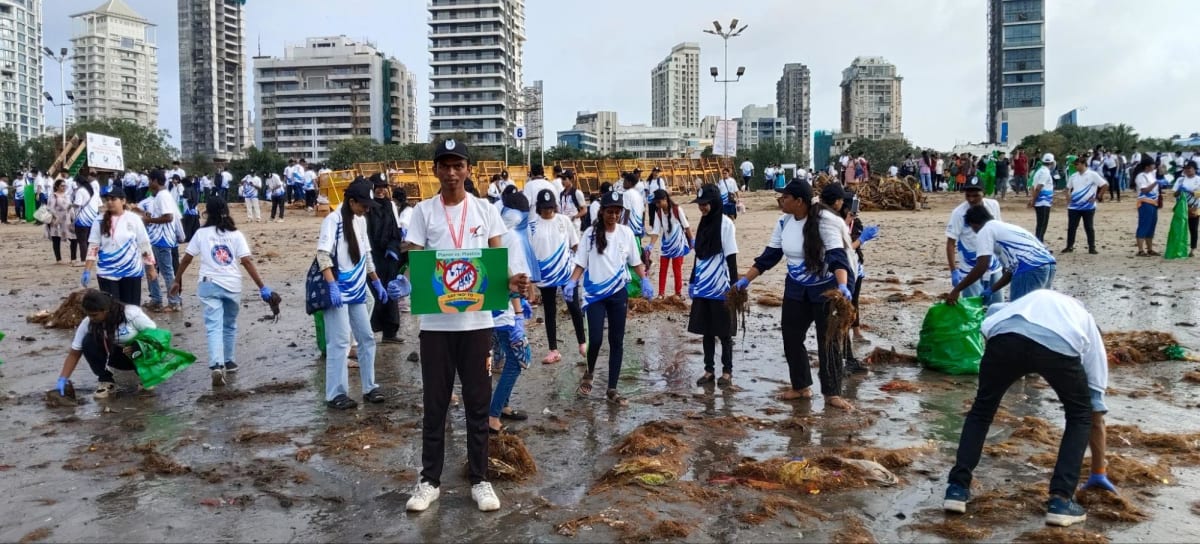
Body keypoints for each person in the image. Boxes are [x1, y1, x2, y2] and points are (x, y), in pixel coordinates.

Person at [403, 139, 529, 514]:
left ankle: (480, 479)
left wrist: (512, 283)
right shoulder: (423, 212)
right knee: (435, 405)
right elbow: (412, 255)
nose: (452, 172)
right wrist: (424, 263)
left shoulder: (485, 210)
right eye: (445, 165)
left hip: (476, 324)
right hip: (437, 324)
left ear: (468, 169)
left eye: (458, 165)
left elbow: (495, 258)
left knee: (477, 404)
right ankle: (429, 481)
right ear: (436, 170)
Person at [944, 290, 1104, 528]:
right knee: (1079, 415)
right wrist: (1099, 470)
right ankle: (1060, 500)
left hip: (1004, 339)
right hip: (1058, 344)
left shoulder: (1024, 302)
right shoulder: (1084, 319)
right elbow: (1096, 395)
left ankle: (956, 489)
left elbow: (989, 322)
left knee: (982, 410)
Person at [734, 180, 855, 410]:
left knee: (828, 341)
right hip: (796, 289)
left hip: (825, 290)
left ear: (799, 201)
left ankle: (832, 393)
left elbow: (837, 257)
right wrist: (744, 281)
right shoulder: (784, 222)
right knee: (791, 337)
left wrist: (842, 286)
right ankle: (801, 387)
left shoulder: (825, 221)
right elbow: (769, 256)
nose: (780, 201)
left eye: (785, 197)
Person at [170, 197, 272, 387]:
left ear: (207, 212)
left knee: (213, 326)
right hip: (232, 284)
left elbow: (186, 259)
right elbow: (247, 261)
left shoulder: (201, 233)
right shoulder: (236, 235)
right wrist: (262, 287)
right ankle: (230, 361)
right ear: (227, 211)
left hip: (208, 284)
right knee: (230, 324)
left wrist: (177, 280)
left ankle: (216, 364)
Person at [566, 190, 654, 407]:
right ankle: (590, 371)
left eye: (617, 212)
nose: (613, 216)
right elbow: (580, 263)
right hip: (594, 295)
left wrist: (644, 279)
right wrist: (572, 281)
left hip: (617, 294)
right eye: (609, 211)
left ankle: (612, 388)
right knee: (594, 339)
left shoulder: (626, 234)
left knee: (617, 340)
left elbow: (635, 262)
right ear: (602, 211)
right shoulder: (589, 235)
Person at [317, 179, 389, 410]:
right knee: (338, 342)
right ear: (351, 201)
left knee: (366, 338)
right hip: (338, 290)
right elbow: (323, 255)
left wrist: (376, 282)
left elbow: (366, 255)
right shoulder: (333, 220)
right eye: (363, 205)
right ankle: (336, 393)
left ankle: (369, 387)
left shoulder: (359, 221)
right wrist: (332, 285)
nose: (367, 209)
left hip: (357, 290)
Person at [53, 289, 158, 400]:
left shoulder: (131, 314)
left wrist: (139, 346)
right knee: (88, 341)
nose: (91, 318)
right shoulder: (88, 322)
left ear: (106, 310)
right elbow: (74, 353)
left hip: (142, 355)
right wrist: (63, 379)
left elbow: (157, 337)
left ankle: (147, 376)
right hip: (118, 358)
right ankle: (106, 381)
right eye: (88, 315)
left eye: (94, 315)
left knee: (139, 350)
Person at [488, 189, 535, 432]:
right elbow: (515, 282)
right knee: (517, 361)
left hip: (490, 309)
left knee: (493, 360)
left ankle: (502, 405)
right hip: (505, 312)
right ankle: (493, 414)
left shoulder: (496, 234)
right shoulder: (514, 238)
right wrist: (518, 316)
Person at [947, 205, 1056, 304]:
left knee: (1019, 313)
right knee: (1036, 309)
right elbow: (1011, 270)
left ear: (974, 224)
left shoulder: (985, 230)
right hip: (1048, 264)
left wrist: (957, 290)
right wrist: (991, 290)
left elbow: (982, 266)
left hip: (1030, 267)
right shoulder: (1004, 228)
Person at [687, 184, 738, 387]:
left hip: (720, 286)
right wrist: (692, 280)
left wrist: (734, 287)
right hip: (702, 286)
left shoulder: (725, 224)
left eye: (705, 204)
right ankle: (709, 370)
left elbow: (731, 256)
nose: (703, 208)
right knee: (707, 330)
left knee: (724, 332)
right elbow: (698, 255)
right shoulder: (703, 223)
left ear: (715, 203)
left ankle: (727, 372)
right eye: (700, 204)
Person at [827, 188, 879, 373]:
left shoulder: (855, 223)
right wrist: (861, 239)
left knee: (852, 305)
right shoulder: (833, 224)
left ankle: (848, 352)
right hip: (842, 270)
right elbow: (843, 247)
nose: (853, 211)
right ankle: (845, 356)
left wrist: (859, 234)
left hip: (855, 267)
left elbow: (853, 244)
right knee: (841, 313)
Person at [530, 188, 584, 364]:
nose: (548, 210)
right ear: (539, 208)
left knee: (574, 307)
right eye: (545, 208)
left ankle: (583, 343)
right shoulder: (532, 226)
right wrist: (530, 281)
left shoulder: (564, 221)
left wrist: (581, 268)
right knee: (550, 311)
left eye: (551, 207)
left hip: (566, 273)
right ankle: (553, 349)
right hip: (545, 277)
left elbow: (575, 244)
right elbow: (529, 254)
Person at [82, 186, 156, 306]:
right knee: (111, 309)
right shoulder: (99, 221)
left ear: (123, 201)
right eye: (108, 199)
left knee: (131, 309)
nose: (110, 202)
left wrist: (151, 267)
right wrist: (87, 270)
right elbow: (93, 246)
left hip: (131, 272)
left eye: (113, 199)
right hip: (107, 272)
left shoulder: (134, 219)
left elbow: (144, 244)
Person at [946, 177, 1003, 304]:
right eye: (968, 195)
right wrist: (954, 270)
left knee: (997, 308)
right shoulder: (958, 213)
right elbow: (951, 242)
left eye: (976, 195)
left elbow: (999, 234)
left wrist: (1003, 261)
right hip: (970, 268)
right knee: (973, 309)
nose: (971, 199)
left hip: (993, 266)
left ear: (984, 193)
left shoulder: (993, 206)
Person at [365, 175, 405, 344]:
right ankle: (368, 331)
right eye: (377, 187)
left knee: (390, 292)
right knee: (373, 293)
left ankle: (390, 332)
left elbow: (396, 230)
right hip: (372, 255)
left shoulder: (390, 206)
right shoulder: (366, 207)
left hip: (389, 258)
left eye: (383, 187)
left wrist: (393, 248)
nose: (381, 190)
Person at [136, 171, 182, 313]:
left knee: (167, 272)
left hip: (162, 240)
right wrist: (149, 217)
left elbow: (168, 217)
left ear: (155, 181)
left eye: (149, 180)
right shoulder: (158, 197)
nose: (148, 184)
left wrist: (149, 220)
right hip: (154, 239)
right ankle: (156, 300)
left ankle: (174, 302)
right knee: (151, 269)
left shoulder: (163, 196)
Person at [647, 189, 692, 298]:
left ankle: (678, 293)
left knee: (677, 270)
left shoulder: (677, 209)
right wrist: (651, 245)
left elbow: (686, 226)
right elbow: (656, 231)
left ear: (665, 199)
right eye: (656, 203)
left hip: (678, 245)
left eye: (658, 202)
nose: (657, 205)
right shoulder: (658, 213)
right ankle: (661, 293)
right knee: (662, 269)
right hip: (666, 245)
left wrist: (692, 240)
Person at [1063, 156, 1108, 254]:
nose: (1075, 166)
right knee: (1072, 227)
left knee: (1089, 227)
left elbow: (1104, 185)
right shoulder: (1073, 176)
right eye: (1075, 165)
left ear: (1083, 164)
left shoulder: (1093, 175)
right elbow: (1067, 188)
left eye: (1077, 164)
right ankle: (1069, 246)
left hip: (1088, 206)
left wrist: (1097, 197)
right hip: (1074, 206)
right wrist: (1068, 197)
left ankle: (1092, 247)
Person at [1134, 157, 1161, 256]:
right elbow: (1144, 190)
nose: (1154, 166)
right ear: (1147, 166)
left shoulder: (1151, 174)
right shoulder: (1141, 176)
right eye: (1153, 164)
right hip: (1145, 202)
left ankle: (1150, 248)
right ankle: (1140, 249)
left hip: (1154, 202)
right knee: (1144, 224)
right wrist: (1155, 183)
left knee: (1151, 225)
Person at [45, 178, 76, 264]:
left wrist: (73, 217)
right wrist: (56, 217)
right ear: (57, 186)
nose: (64, 187)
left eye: (64, 186)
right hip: (57, 221)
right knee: (56, 239)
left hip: (67, 220)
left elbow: (71, 207)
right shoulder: (53, 195)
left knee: (73, 238)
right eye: (62, 186)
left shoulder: (67, 195)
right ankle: (58, 259)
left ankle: (73, 258)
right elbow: (50, 208)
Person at [1173, 160, 1200, 256]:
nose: (1187, 170)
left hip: (1194, 208)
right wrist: (1179, 190)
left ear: (1194, 169)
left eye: (1189, 168)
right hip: (1181, 208)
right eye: (1185, 168)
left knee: (1193, 229)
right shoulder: (1180, 180)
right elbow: (1174, 194)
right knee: (1179, 229)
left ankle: (1192, 249)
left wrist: (1190, 191)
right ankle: (1179, 248)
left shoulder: (1198, 179)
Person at [1029, 153, 1056, 243]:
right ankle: (1039, 245)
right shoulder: (1045, 172)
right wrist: (1033, 200)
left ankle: (1040, 244)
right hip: (1043, 202)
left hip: (1041, 202)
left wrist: (1033, 199)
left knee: (1040, 224)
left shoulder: (1039, 171)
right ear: (1052, 163)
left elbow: (1033, 187)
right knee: (1042, 225)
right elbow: (1038, 187)